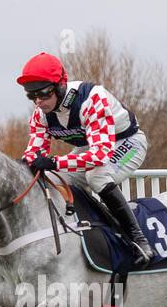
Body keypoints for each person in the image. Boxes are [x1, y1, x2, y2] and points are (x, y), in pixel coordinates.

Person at [18, 51, 155, 267]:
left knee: (97, 176)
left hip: (128, 143)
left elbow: (100, 156)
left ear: (60, 86)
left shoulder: (92, 99)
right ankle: (85, 231)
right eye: (30, 95)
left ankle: (139, 240)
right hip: (91, 147)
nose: (38, 101)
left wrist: (54, 162)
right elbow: (33, 155)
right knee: (55, 178)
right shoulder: (40, 114)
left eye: (43, 94)